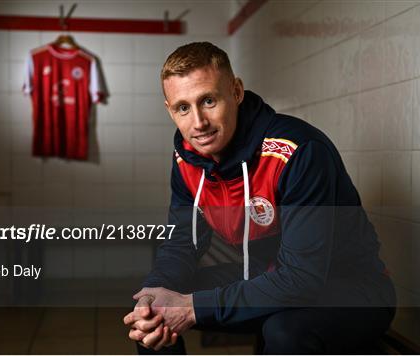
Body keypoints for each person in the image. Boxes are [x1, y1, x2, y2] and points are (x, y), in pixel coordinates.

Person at [123, 42, 396, 354]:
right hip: (269, 276)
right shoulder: (187, 158)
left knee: (283, 331)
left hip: (352, 291)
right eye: (183, 108)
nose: (198, 123)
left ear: (236, 92)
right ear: (169, 109)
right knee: (151, 312)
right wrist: (153, 291)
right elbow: (181, 242)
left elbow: (301, 278)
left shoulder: (299, 151)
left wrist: (193, 307)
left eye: (208, 100)